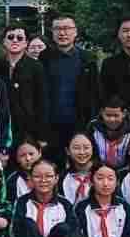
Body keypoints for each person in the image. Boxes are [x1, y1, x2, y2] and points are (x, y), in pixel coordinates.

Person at [7, 158, 83, 237]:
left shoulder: (65, 203)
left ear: (56, 178)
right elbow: (15, 230)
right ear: (31, 179)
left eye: (48, 176)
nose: (43, 180)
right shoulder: (22, 202)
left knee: (64, 228)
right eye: (37, 176)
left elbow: (76, 233)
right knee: (27, 223)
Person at [37, 13, 91, 156]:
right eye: (57, 29)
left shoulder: (87, 58)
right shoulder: (44, 58)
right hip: (51, 124)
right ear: (52, 32)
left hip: (79, 123)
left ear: (75, 32)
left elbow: (94, 94)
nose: (62, 33)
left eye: (67, 28)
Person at [0, 22, 45, 150]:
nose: (15, 40)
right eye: (10, 37)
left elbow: (42, 102)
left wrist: (42, 135)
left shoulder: (36, 67)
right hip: (2, 126)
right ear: (4, 41)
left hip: (29, 128)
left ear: (26, 43)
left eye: (20, 38)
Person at [88, 100, 130, 170]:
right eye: (108, 115)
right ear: (102, 112)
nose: (112, 120)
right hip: (98, 170)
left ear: (124, 113)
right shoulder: (92, 128)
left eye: (116, 115)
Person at [59, 131, 100, 205]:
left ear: (92, 149)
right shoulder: (62, 178)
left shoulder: (103, 173)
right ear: (67, 151)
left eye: (86, 148)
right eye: (76, 148)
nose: (82, 152)